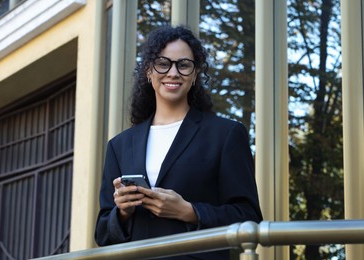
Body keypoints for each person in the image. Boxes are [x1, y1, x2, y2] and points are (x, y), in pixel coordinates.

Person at [94, 25, 263, 259]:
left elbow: (249, 218)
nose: (173, 73)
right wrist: (122, 212)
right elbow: (103, 233)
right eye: (163, 63)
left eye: (183, 65)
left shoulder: (226, 134)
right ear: (148, 71)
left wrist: (190, 212)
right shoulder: (120, 145)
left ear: (194, 75)